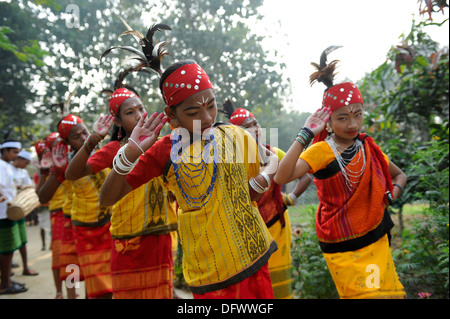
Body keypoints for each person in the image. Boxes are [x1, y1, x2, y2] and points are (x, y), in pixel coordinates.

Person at [99, 57, 280, 299]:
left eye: (211, 106)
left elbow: (250, 194)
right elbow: (107, 197)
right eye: (193, 112)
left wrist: (267, 173)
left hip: (255, 254)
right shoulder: (165, 151)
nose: (206, 118)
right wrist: (129, 155)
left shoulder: (236, 135)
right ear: (171, 115)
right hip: (211, 273)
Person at [274, 46, 407, 299]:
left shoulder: (368, 147)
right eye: (343, 118)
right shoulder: (322, 150)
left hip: (376, 237)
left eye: (358, 115)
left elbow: (400, 175)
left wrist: (392, 195)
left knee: (389, 293)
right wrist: (306, 133)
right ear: (329, 121)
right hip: (343, 246)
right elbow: (282, 177)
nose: (353, 124)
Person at [65, 68, 178, 299]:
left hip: (160, 236)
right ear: (117, 120)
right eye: (130, 112)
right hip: (128, 239)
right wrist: (93, 137)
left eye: (141, 109)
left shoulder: (161, 144)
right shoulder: (115, 149)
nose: (138, 115)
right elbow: (72, 174)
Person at [223, 100, 312, 299]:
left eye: (255, 123)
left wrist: (290, 198)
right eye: (246, 127)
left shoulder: (274, 153)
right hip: (249, 233)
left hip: (276, 229)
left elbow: (305, 176)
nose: (254, 129)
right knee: (255, 290)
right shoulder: (232, 161)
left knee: (280, 287)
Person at [55, 114, 113, 299]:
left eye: (85, 133)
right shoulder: (66, 162)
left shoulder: (102, 152)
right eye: (75, 136)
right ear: (67, 142)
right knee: (83, 273)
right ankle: (66, 295)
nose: (82, 138)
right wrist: (54, 172)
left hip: (108, 224)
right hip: (85, 226)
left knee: (102, 280)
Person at [37, 132, 79, 299]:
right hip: (58, 215)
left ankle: (72, 292)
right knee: (61, 259)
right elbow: (39, 194)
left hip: (76, 213)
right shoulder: (49, 166)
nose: (60, 149)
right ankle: (62, 292)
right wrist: (45, 170)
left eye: (62, 145)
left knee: (73, 260)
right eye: (56, 146)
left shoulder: (75, 159)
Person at [0, 139, 28, 295]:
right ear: (5, 151)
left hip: (9, 211)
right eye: (14, 152)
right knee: (6, 250)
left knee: (9, 249)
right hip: (3, 213)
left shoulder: (7, 166)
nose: (17, 155)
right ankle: (4, 284)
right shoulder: (1, 165)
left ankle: (7, 280)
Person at [10, 150, 39, 277]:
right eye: (25, 163)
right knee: (8, 242)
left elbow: (30, 186)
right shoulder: (6, 168)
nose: (25, 166)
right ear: (19, 159)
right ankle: (8, 267)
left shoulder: (23, 172)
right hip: (6, 211)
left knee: (22, 240)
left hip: (19, 209)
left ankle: (25, 266)